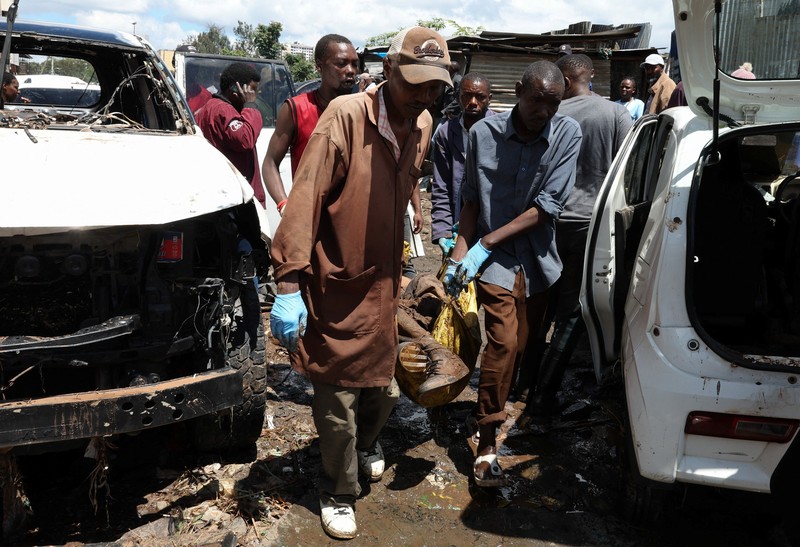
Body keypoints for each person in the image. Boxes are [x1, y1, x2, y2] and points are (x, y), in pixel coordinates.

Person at [268, 26, 451, 539]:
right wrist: (287, 282)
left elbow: (410, 180)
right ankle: (338, 491)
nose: (424, 94)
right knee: (337, 402)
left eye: (434, 86)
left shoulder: (423, 123)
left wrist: (415, 220)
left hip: (384, 284)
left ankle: (367, 446)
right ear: (388, 70)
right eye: (415, 83)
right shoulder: (343, 119)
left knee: (387, 390)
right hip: (335, 281)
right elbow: (304, 198)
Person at [444, 60, 582, 487]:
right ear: (519, 91)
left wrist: (484, 243)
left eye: (553, 103)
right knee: (501, 343)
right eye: (537, 100)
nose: (544, 111)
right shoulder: (482, 134)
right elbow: (470, 200)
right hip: (494, 264)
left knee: (522, 348)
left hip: (538, 260)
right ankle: (487, 443)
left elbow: (546, 208)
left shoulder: (566, 135)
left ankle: (493, 399)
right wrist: (460, 255)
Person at [520, 54, 632, 421]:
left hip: (546, 219)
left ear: (563, 80)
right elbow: (625, 174)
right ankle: (545, 394)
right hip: (589, 224)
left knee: (537, 304)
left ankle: (523, 382)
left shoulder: (549, 113)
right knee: (571, 312)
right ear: (589, 76)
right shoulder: (615, 115)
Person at [262, 34, 358, 215]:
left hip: (351, 218)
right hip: (310, 217)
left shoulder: (363, 109)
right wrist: (284, 204)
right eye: (341, 63)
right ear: (319, 66)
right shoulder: (296, 109)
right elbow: (270, 163)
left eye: (354, 64)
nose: (351, 70)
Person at [430, 72, 495, 254]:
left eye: (480, 97)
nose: (473, 102)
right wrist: (443, 228)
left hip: (492, 226)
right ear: (458, 96)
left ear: (489, 99)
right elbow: (441, 185)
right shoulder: (446, 133)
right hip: (458, 223)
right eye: (467, 95)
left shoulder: (502, 131)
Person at [194, 62, 265, 206]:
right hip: (235, 199)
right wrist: (250, 106)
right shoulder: (223, 110)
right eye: (251, 91)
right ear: (236, 89)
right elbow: (245, 139)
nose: (254, 96)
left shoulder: (210, 107)